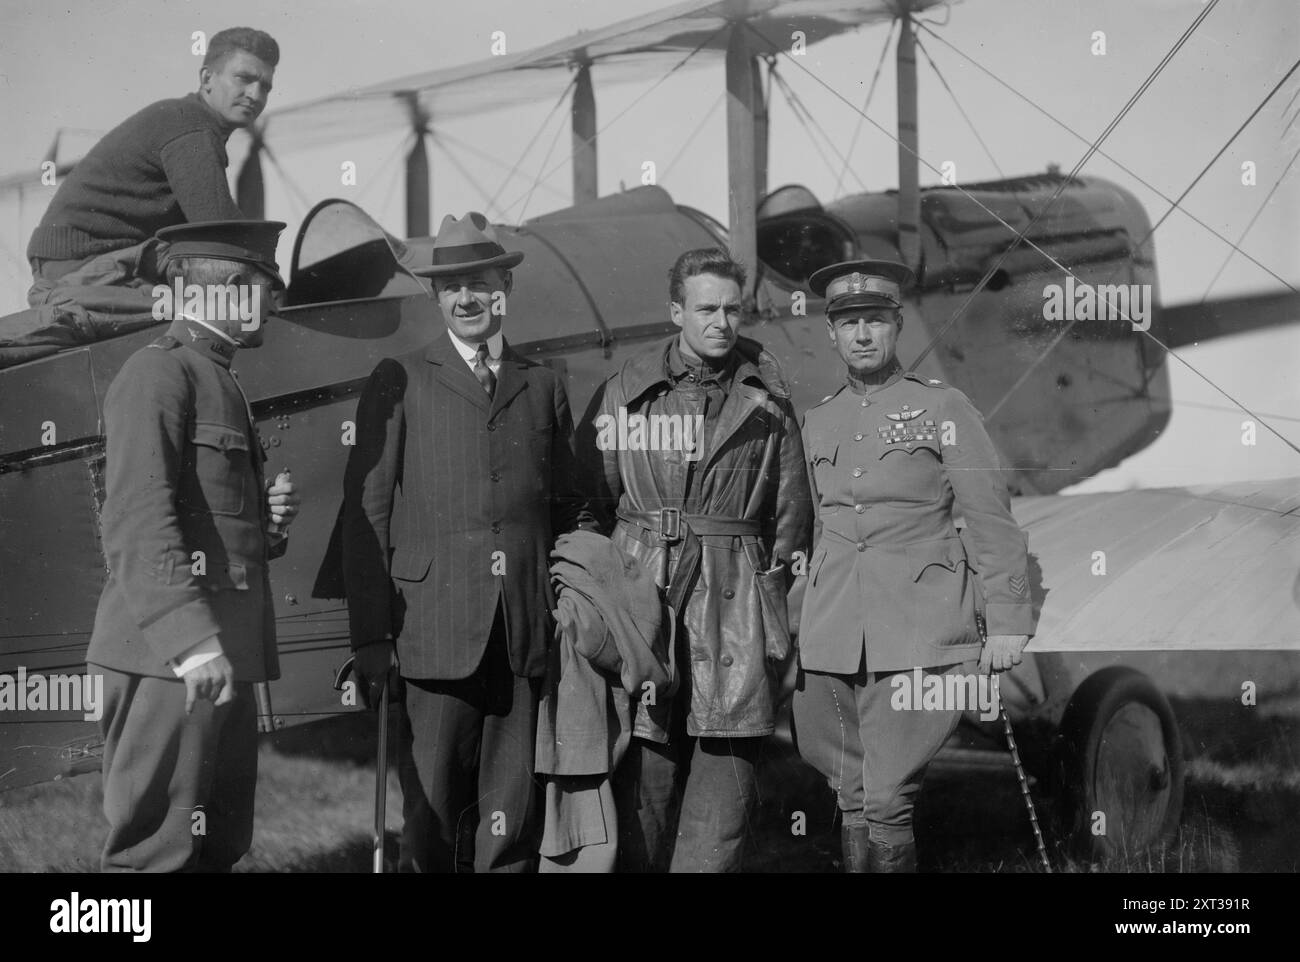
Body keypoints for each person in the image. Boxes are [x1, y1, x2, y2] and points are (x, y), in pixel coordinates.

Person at [342, 212, 592, 873]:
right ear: (435, 297)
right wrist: (370, 638)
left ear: (504, 286)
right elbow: (365, 514)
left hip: (520, 635)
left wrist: (566, 603)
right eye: (451, 287)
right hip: (431, 634)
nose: (466, 298)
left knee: (509, 822)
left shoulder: (542, 385)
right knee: (428, 820)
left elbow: (569, 508)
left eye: (479, 283)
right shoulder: (400, 377)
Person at [792, 259, 1037, 872]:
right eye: (849, 323)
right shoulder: (818, 419)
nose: (863, 335)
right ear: (831, 333)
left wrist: (1007, 618)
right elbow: (814, 530)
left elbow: (989, 516)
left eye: (876, 320)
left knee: (887, 797)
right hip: (831, 637)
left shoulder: (944, 408)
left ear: (898, 325)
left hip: (920, 634)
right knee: (848, 793)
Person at [585, 247, 812, 872]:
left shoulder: (768, 400)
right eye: (706, 307)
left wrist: (771, 610)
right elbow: (593, 503)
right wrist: (624, 584)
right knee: (642, 794)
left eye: (732, 309)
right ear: (676, 311)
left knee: (722, 805)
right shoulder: (626, 395)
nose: (721, 322)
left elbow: (791, 520)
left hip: (735, 606)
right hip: (647, 607)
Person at [87, 219, 299, 872]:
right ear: (235, 288)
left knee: (215, 846)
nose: (274, 306)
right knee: (156, 853)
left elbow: (208, 522)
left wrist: (268, 529)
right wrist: (191, 643)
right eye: (269, 290)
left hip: (212, 657)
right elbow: (136, 524)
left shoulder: (218, 378)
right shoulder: (159, 375)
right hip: (171, 659)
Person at [24, 27, 279, 339]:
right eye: (244, 78)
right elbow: (223, 234)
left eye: (265, 86)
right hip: (80, 269)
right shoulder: (192, 126)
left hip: (96, 263)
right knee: (225, 315)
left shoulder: (191, 122)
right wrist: (276, 290)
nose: (255, 95)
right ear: (207, 78)